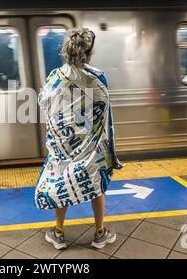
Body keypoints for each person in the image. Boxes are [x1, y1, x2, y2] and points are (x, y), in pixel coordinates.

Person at [35, 28, 124, 250]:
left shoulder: (55, 77)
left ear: (66, 51)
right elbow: (104, 112)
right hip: (89, 147)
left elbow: (44, 105)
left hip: (63, 146)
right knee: (95, 186)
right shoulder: (97, 78)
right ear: (89, 53)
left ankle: (58, 233)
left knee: (61, 182)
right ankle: (100, 234)